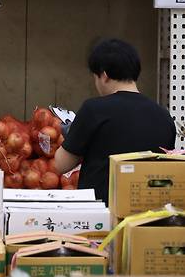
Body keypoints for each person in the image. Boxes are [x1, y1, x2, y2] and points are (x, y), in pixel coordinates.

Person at [54, 38, 177, 204]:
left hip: (101, 215)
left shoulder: (94, 109)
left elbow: (61, 164)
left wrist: (76, 136)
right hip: (146, 215)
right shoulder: (164, 117)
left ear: (104, 76)